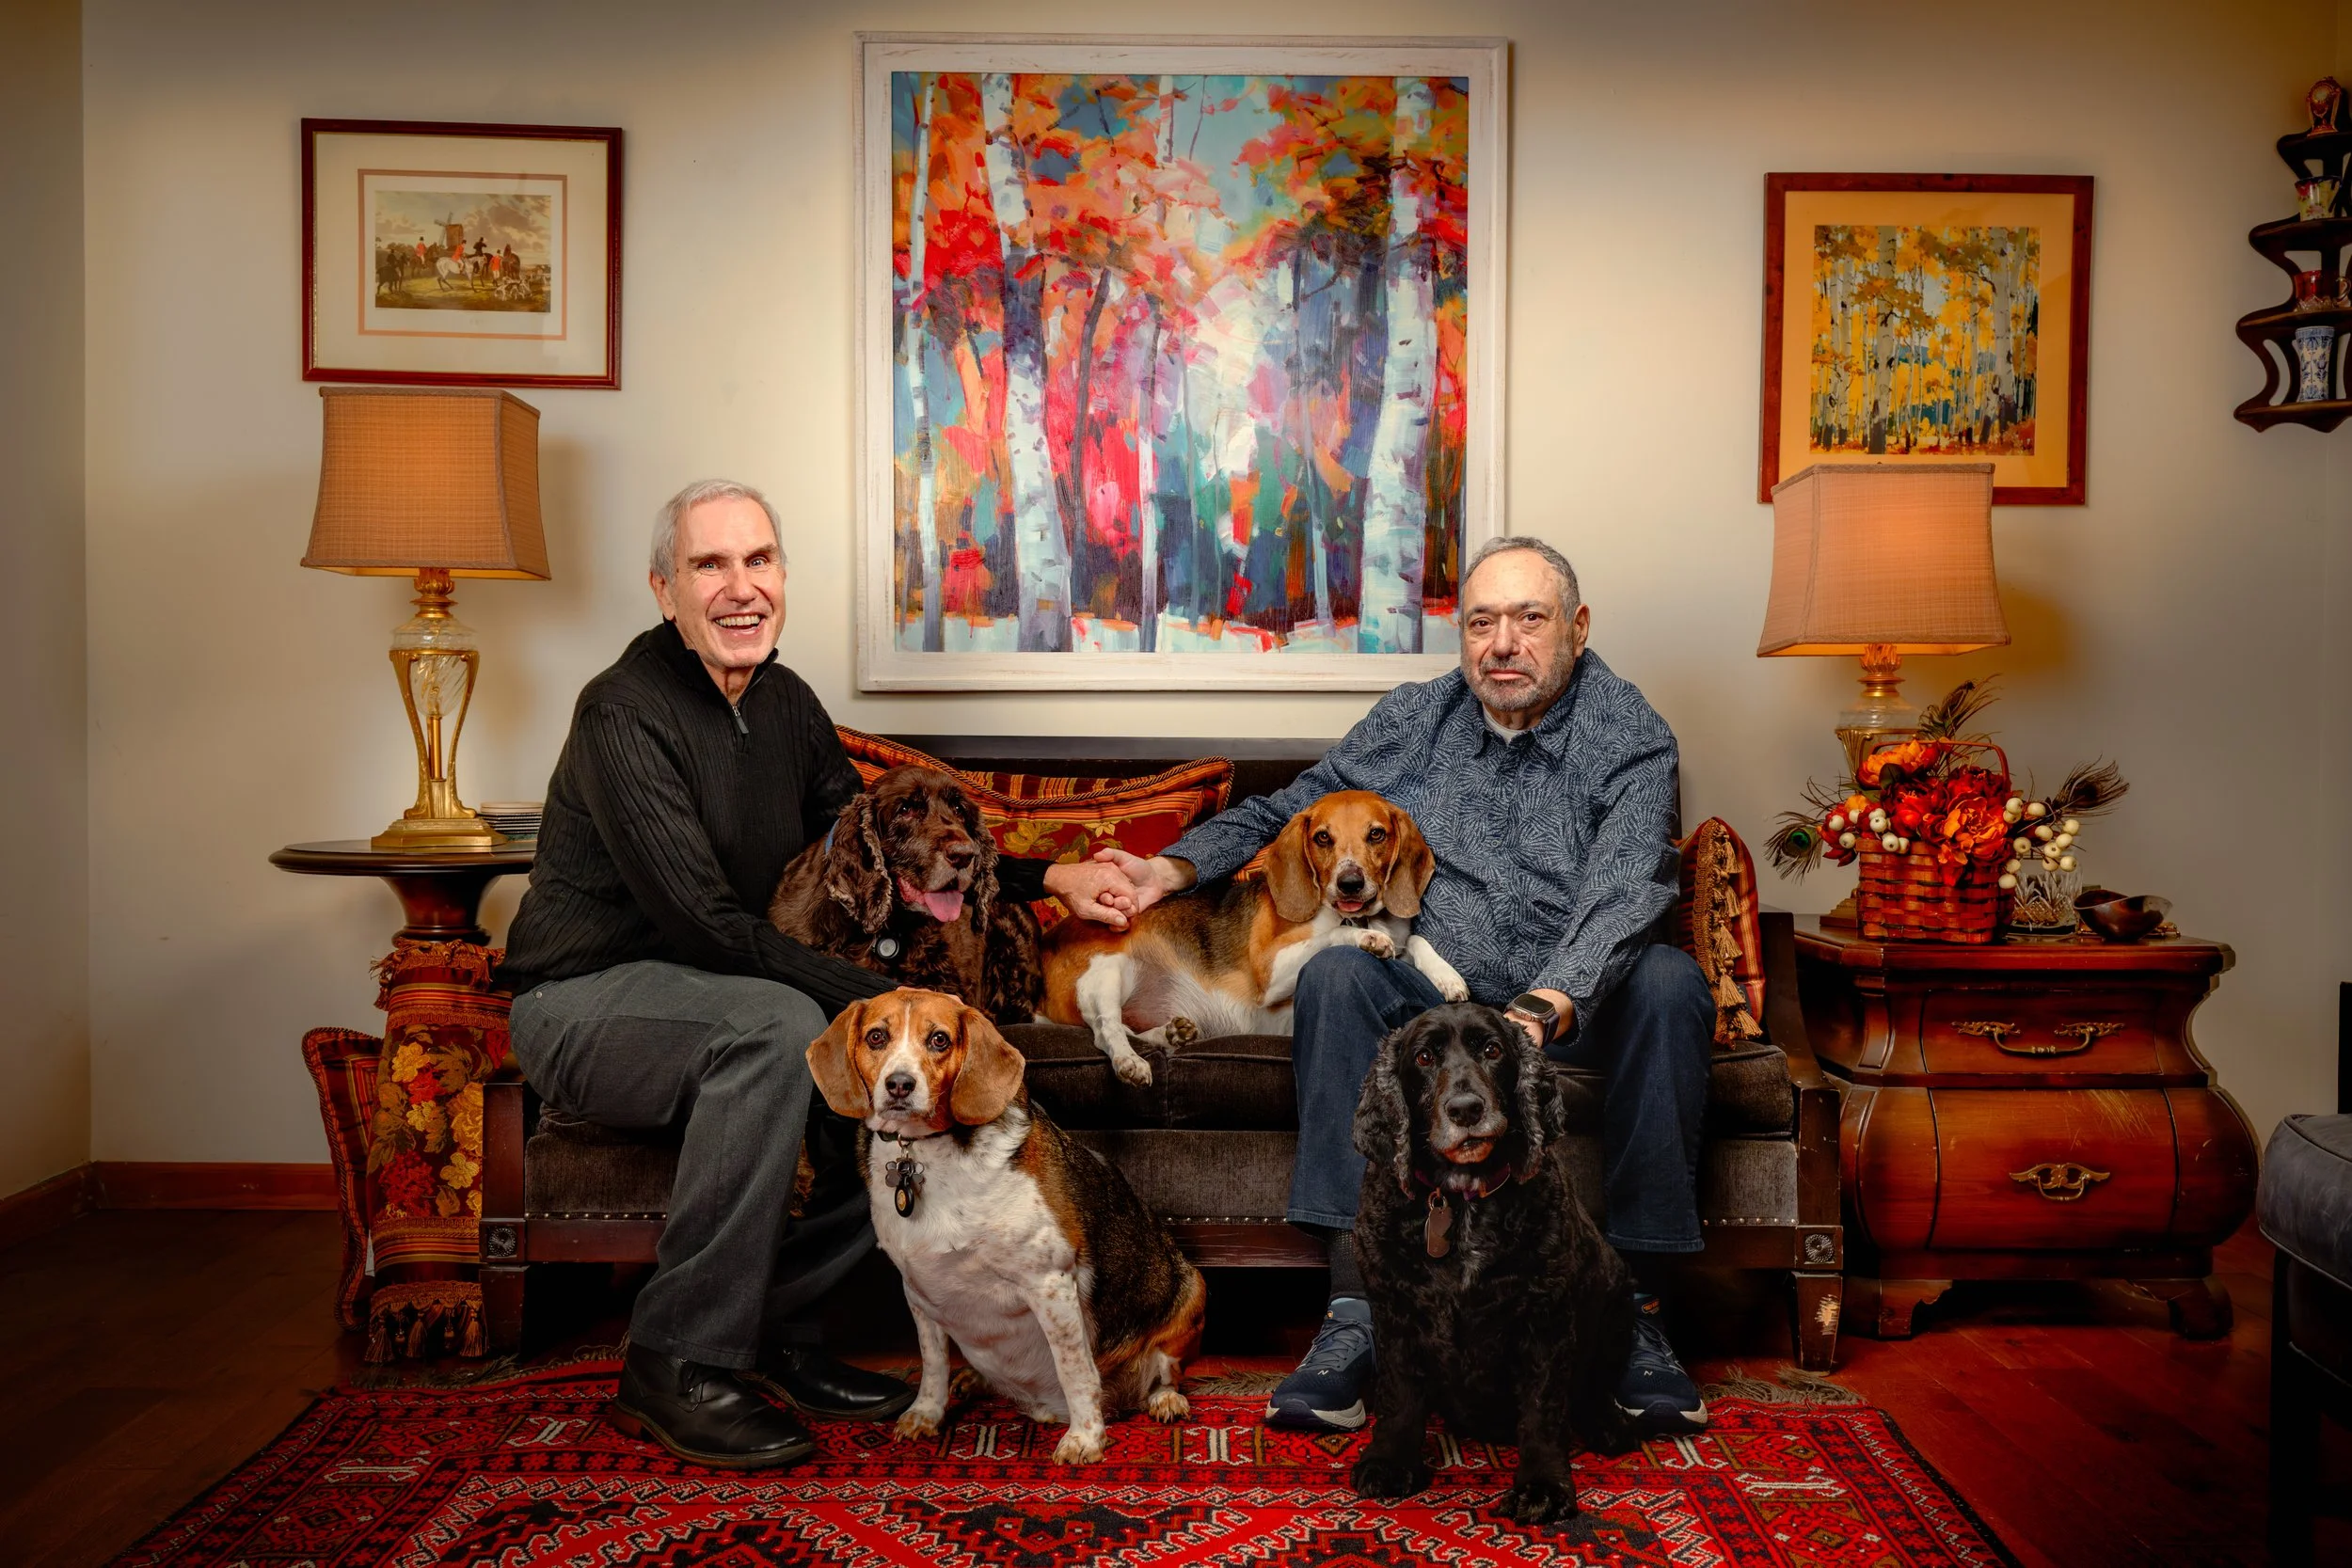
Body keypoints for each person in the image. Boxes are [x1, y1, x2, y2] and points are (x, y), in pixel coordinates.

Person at [500, 478, 1140, 1469]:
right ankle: (674, 1362)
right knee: (785, 1029)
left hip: (716, 991)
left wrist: (1046, 874)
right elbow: (708, 926)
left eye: (758, 560)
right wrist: (885, 1011)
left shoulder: (786, 703)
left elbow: (876, 848)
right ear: (664, 589)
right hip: (585, 1001)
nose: (739, 586)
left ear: (783, 578)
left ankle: (779, 1332)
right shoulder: (622, 714)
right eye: (711, 564)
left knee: (881, 1084)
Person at [1101, 536, 1715, 1438]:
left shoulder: (1630, 733)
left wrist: (1550, 1000)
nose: (1503, 643)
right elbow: (1289, 809)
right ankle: (1356, 1311)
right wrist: (1170, 867)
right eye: (1482, 622)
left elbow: (1631, 884)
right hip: (1438, 1009)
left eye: (1529, 619)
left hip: (1577, 1000)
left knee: (1671, 981)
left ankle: (1641, 1317)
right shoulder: (1414, 720)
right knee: (1342, 968)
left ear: (1577, 629)